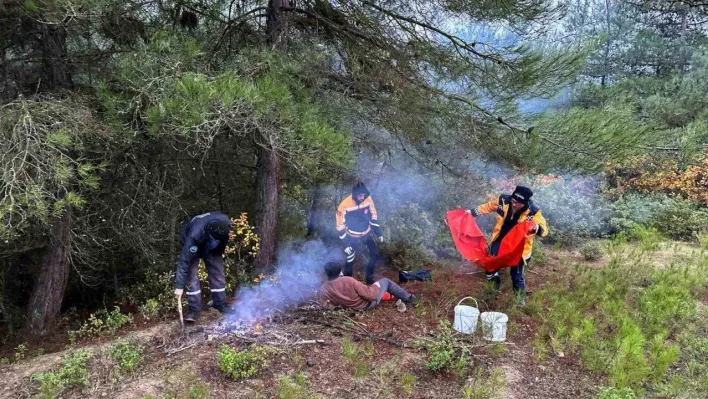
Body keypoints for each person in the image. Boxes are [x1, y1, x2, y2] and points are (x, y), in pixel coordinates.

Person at [467, 185, 549, 306]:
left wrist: (537, 228)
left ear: (525, 203)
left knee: (516, 274)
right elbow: (488, 207)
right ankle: (493, 290)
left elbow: (545, 230)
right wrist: (470, 212)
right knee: (490, 265)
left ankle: (519, 299)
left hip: (519, 247)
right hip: (500, 240)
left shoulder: (533, 211)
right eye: (514, 201)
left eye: (519, 203)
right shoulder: (503, 200)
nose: (515, 204)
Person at [174, 211, 233, 322]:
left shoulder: (224, 227)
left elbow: (222, 245)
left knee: (217, 270)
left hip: (210, 245)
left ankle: (220, 303)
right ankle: (194, 309)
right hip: (193, 243)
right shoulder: (193, 235)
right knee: (191, 275)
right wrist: (179, 286)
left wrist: (216, 252)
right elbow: (184, 261)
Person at [320, 261, 419, 311]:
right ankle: (410, 299)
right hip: (366, 305)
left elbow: (327, 305)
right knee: (385, 281)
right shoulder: (348, 280)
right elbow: (371, 296)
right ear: (339, 271)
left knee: (376, 286)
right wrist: (375, 286)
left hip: (349, 309)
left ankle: (397, 295)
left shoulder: (324, 288)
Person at [336, 181, 383, 284]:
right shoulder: (344, 205)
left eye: (364, 195)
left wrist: (378, 233)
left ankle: (369, 278)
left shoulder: (368, 199)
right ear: (355, 195)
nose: (363, 198)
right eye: (360, 196)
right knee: (350, 256)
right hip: (352, 236)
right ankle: (348, 282)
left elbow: (373, 215)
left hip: (366, 233)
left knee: (375, 254)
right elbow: (340, 226)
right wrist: (346, 245)